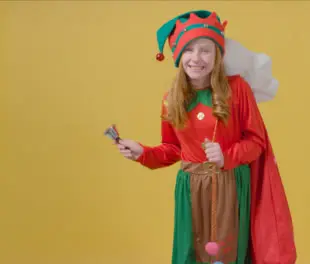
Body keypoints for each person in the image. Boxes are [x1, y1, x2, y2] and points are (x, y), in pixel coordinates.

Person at [115, 10, 297, 264]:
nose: (196, 58)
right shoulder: (171, 100)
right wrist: (143, 153)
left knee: (227, 253)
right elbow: (172, 149)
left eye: (205, 50)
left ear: (217, 55)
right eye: (188, 50)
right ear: (178, 55)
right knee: (191, 252)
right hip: (190, 187)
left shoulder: (237, 89)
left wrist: (227, 157)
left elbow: (257, 141)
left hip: (229, 184)